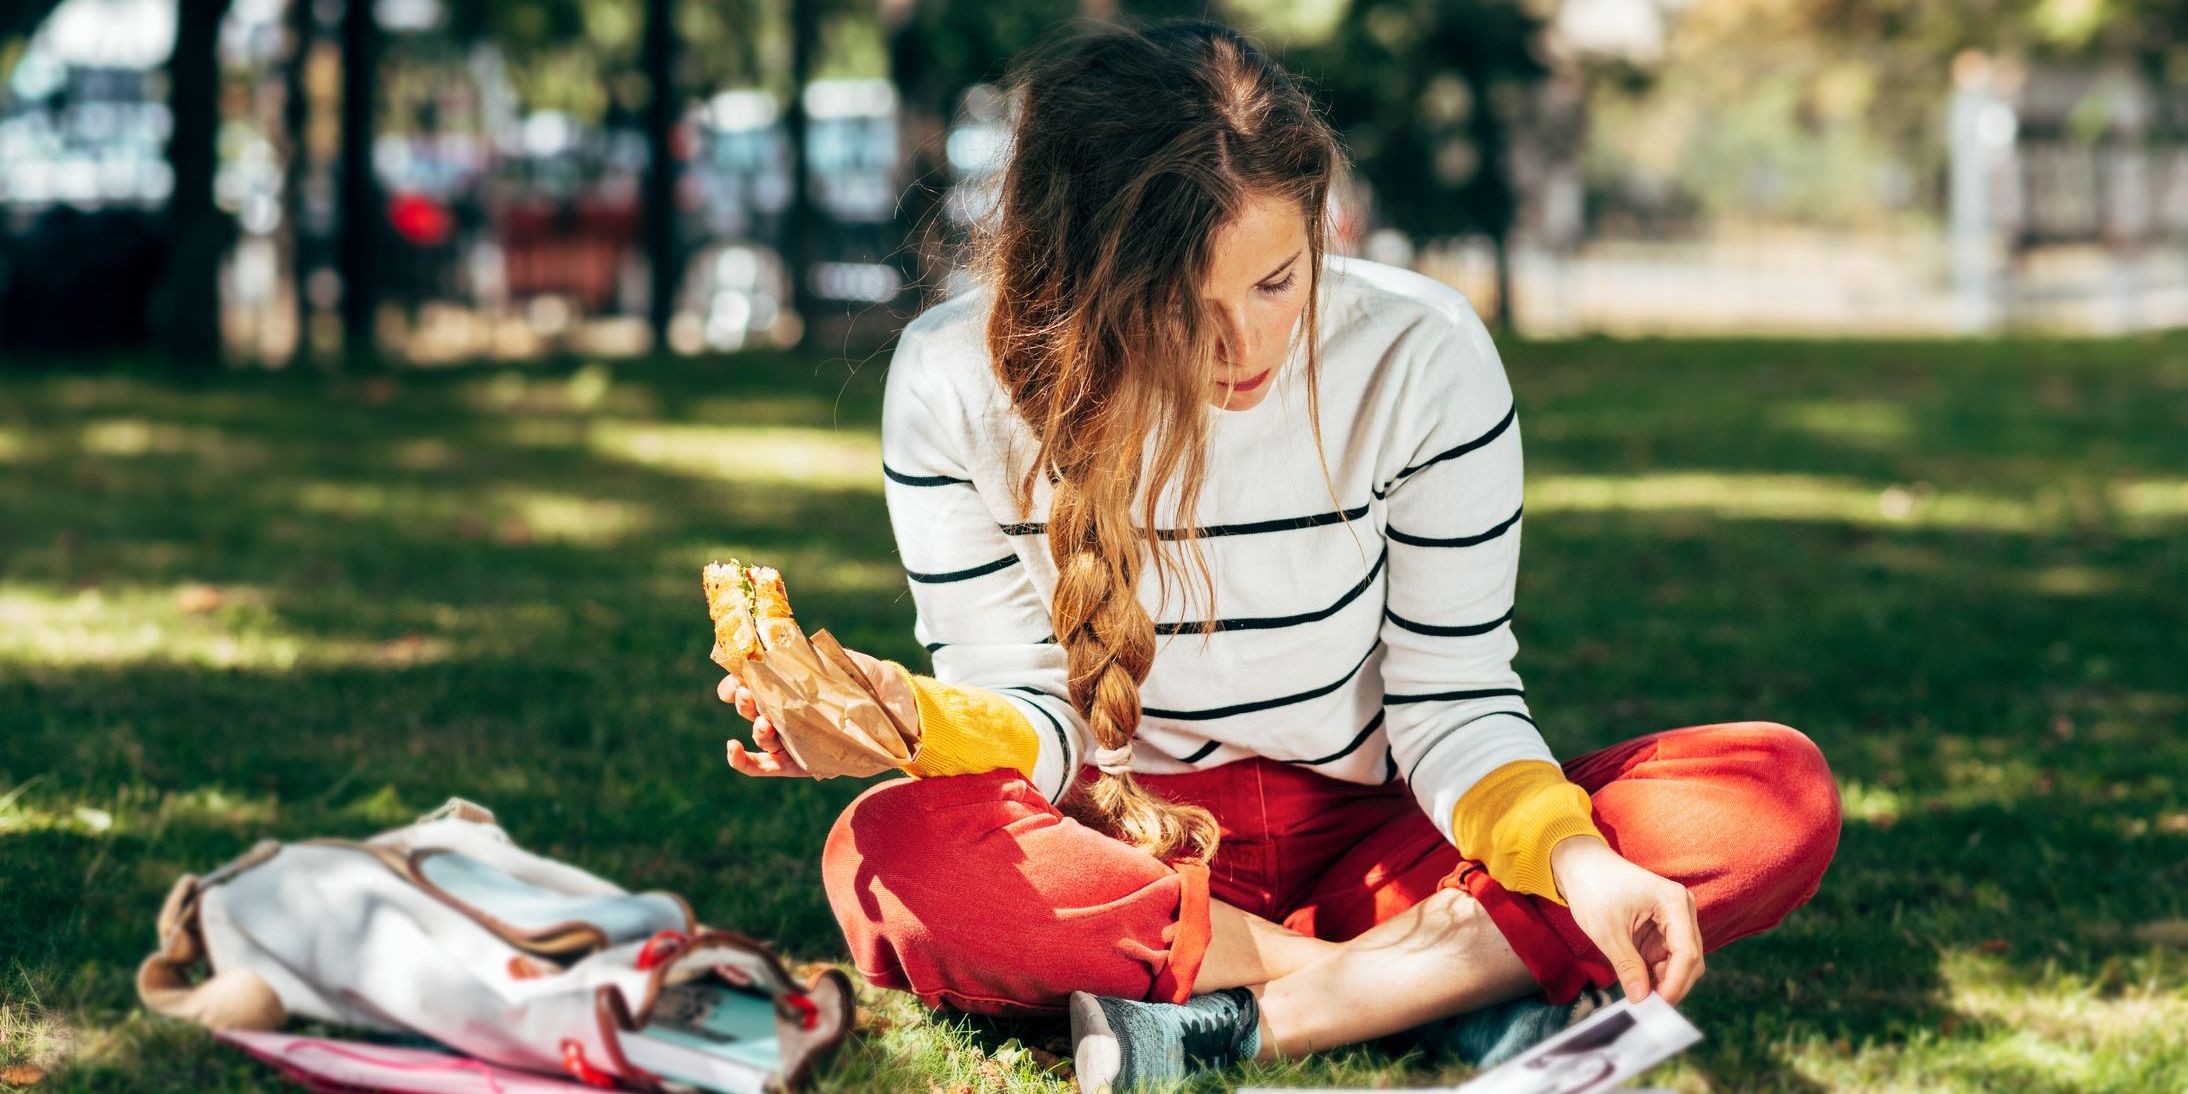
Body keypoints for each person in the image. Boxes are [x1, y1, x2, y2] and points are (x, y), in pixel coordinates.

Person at [717, 16, 1841, 1092]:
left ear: (1322, 226)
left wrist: (1576, 858)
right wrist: (913, 721)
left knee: (1766, 792)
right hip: (1121, 848)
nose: (1245, 347)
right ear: (1085, 280)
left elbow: (1453, 700)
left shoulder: (1421, 354)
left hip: (1381, 839)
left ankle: (1256, 1018)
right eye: (1180, 302)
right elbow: (1031, 715)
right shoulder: (952, 380)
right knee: (889, 854)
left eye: (1275, 280)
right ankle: (1443, 986)